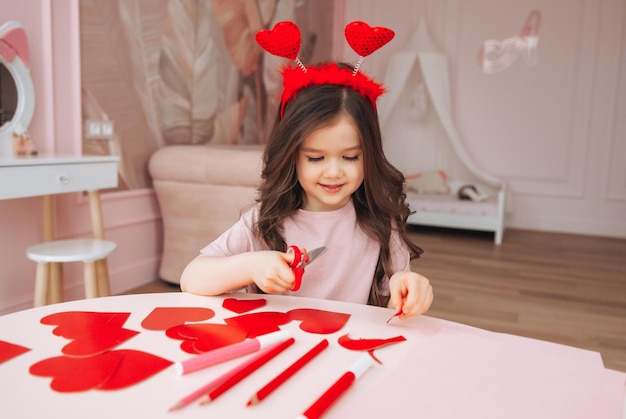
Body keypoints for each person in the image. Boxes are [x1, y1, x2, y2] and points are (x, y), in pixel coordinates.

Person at [181, 25, 433, 319]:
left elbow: (395, 295)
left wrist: (407, 285)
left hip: (348, 350)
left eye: (350, 157)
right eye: (316, 158)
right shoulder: (265, 220)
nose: (334, 171)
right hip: (278, 347)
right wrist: (251, 266)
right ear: (292, 156)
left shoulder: (379, 223)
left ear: (370, 155)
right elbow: (192, 278)